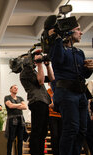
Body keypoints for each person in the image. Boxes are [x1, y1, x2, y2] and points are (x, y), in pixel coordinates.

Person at [49, 23, 92, 155]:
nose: (81, 33)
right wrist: (56, 38)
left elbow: (83, 75)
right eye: (78, 30)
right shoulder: (58, 48)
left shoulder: (79, 52)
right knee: (71, 128)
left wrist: (90, 69)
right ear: (68, 32)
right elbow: (57, 61)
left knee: (82, 130)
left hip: (80, 94)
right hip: (66, 93)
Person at [20, 51, 54, 155]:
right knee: (37, 131)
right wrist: (39, 64)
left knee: (43, 132)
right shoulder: (26, 72)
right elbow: (40, 81)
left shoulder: (35, 71)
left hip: (44, 102)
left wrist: (47, 65)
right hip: (37, 102)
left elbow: (52, 79)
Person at [4, 85, 27, 155]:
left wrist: (15, 105)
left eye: (17, 88)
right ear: (10, 89)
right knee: (11, 139)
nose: (16, 89)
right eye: (14, 88)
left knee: (20, 139)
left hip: (20, 120)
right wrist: (19, 105)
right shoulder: (7, 97)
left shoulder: (20, 98)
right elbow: (10, 106)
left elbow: (25, 107)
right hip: (12, 119)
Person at [47, 85, 62, 155]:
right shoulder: (48, 92)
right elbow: (47, 104)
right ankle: (55, 153)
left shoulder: (60, 91)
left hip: (61, 115)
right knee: (54, 135)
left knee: (61, 135)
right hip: (52, 116)